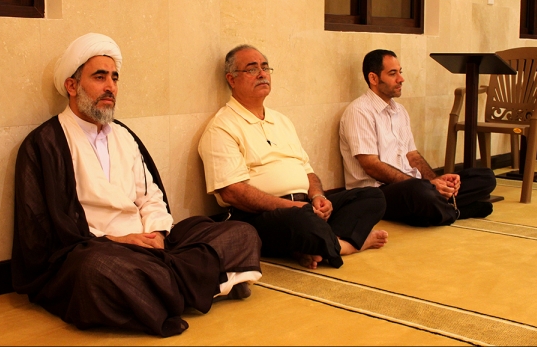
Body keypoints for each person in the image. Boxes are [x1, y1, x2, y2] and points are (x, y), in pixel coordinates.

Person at [11, 33, 262, 338]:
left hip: (150, 246)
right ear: (72, 86)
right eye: (100, 77)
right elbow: (41, 231)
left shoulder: (123, 135)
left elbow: (150, 196)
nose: (110, 86)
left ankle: (166, 291)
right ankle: (211, 283)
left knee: (241, 232)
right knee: (96, 271)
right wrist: (118, 241)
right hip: (100, 250)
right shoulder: (46, 143)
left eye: (114, 78)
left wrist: (157, 233)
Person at [198, 44, 388, 270]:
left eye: (265, 67)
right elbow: (233, 192)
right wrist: (291, 207)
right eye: (252, 69)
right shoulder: (221, 127)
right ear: (231, 79)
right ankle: (347, 244)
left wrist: (318, 197)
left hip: (303, 206)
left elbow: (307, 170)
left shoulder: (282, 120)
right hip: (260, 215)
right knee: (301, 221)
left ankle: (315, 245)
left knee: (372, 196)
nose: (262, 74)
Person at [339, 49, 496, 227]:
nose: (401, 79)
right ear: (373, 78)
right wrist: (424, 185)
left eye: (400, 72)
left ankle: (437, 207)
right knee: (420, 192)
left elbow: (412, 156)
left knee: (485, 177)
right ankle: (456, 211)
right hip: (375, 192)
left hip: (412, 185)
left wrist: (435, 181)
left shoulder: (400, 111)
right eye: (393, 73)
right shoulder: (359, 112)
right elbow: (371, 166)